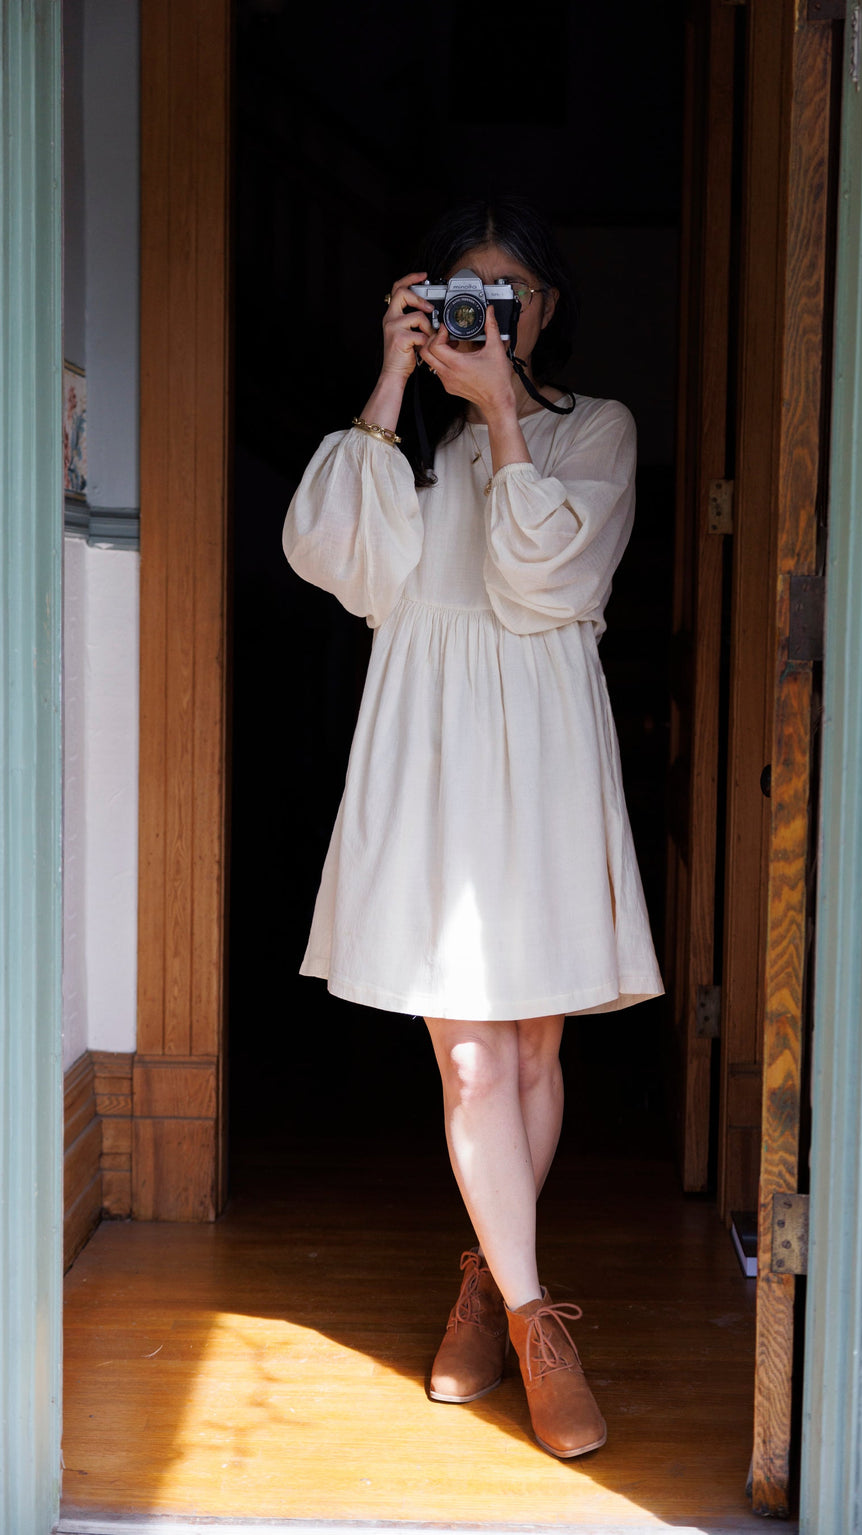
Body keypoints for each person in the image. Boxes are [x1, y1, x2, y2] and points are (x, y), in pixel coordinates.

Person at [282, 197, 663, 1459]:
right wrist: (392, 381)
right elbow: (335, 558)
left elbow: (549, 579)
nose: (482, 313)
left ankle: (485, 1279)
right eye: (460, 293)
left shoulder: (592, 429)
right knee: (469, 1061)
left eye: (506, 295)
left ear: (543, 311)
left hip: (543, 748)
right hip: (433, 748)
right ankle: (535, 1318)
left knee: (537, 1054)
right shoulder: (407, 444)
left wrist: (503, 411)